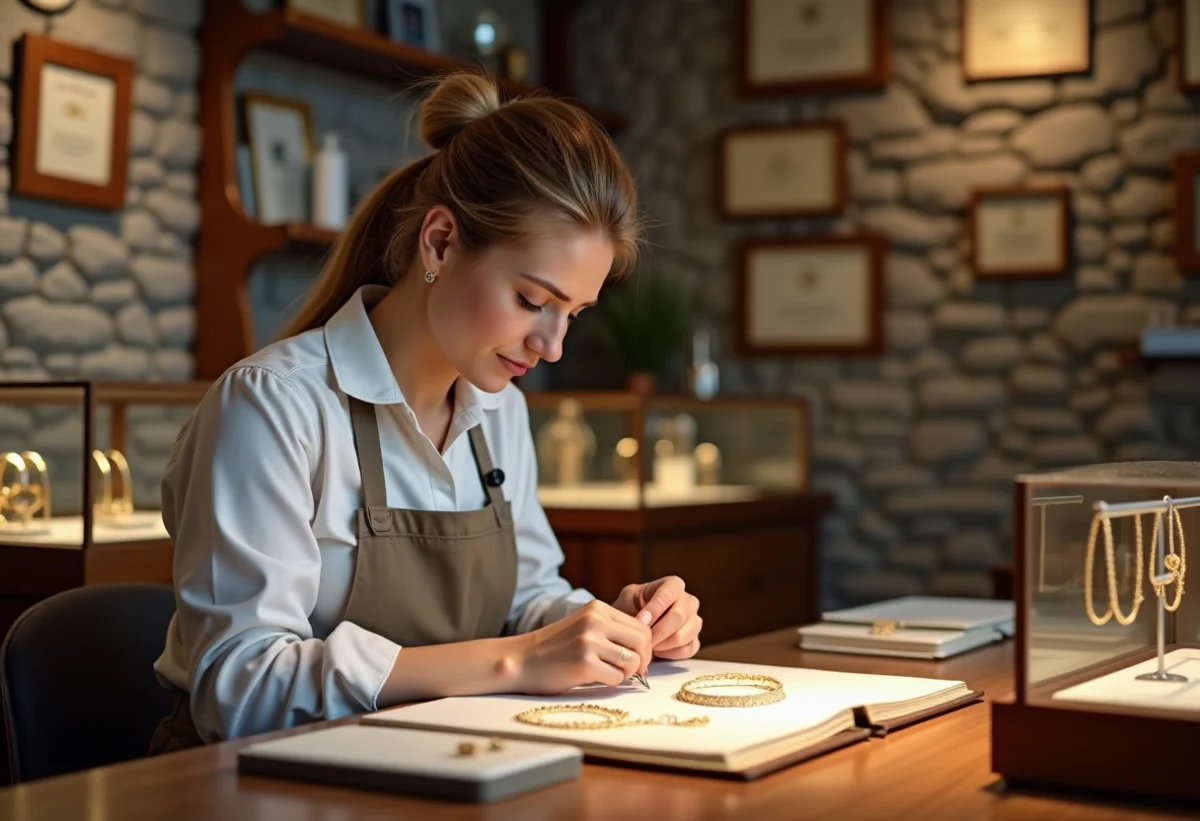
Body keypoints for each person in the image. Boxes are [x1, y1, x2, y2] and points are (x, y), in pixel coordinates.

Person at [148, 72, 703, 751]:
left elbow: (523, 599)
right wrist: (517, 660)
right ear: (439, 243)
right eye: (533, 300)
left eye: (573, 315)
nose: (553, 345)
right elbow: (238, 687)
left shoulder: (498, 412)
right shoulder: (272, 406)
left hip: (433, 762)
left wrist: (605, 624)